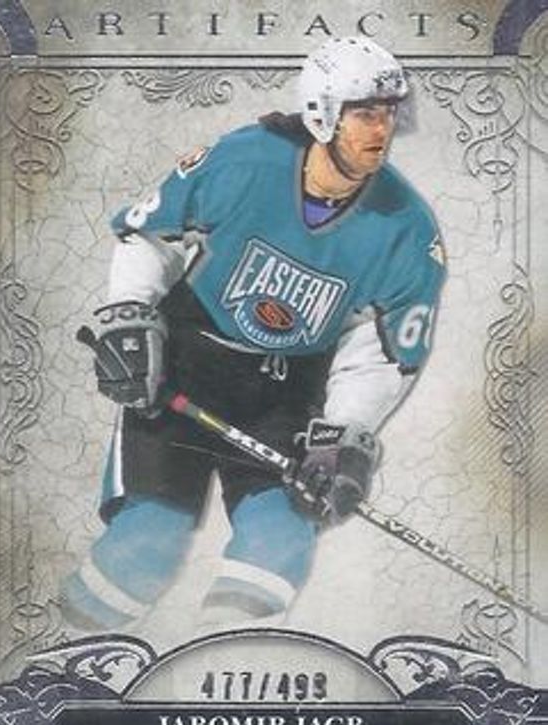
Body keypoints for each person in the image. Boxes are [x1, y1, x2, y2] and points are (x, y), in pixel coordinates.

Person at [61, 37, 446, 632]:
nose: (382, 129)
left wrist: (343, 431)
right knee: (150, 537)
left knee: (279, 536)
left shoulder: (407, 228)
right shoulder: (245, 160)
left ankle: (230, 660)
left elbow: (386, 351)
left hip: (286, 396)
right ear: (322, 113)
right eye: (366, 113)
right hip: (183, 369)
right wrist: (131, 312)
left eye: (390, 113)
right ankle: (69, 649)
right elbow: (152, 232)